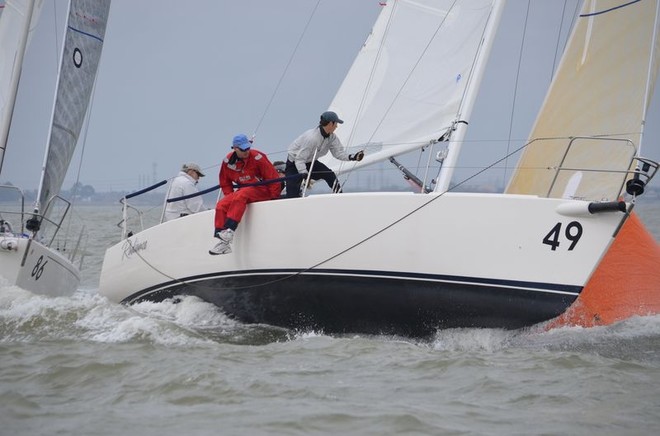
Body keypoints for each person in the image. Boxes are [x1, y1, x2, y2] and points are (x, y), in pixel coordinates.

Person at [209, 134, 282, 255]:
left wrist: (274, 199)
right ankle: (223, 242)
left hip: (262, 190)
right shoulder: (227, 162)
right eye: (243, 149)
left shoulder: (257, 157)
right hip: (244, 191)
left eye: (248, 148)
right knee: (221, 205)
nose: (247, 151)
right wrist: (229, 197)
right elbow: (225, 182)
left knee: (241, 195)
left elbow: (273, 178)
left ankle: (230, 230)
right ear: (235, 148)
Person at [285, 111, 364, 198]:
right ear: (330, 123)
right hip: (294, 163)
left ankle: (340, 197)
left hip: (310, 161)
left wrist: (353, 157)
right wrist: (305, 175)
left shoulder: (332, 137)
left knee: (329, 174)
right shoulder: (312, 138)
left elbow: (338, 153)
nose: (337, 126)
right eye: (336, 124)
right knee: (292, 195)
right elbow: (299, 159)